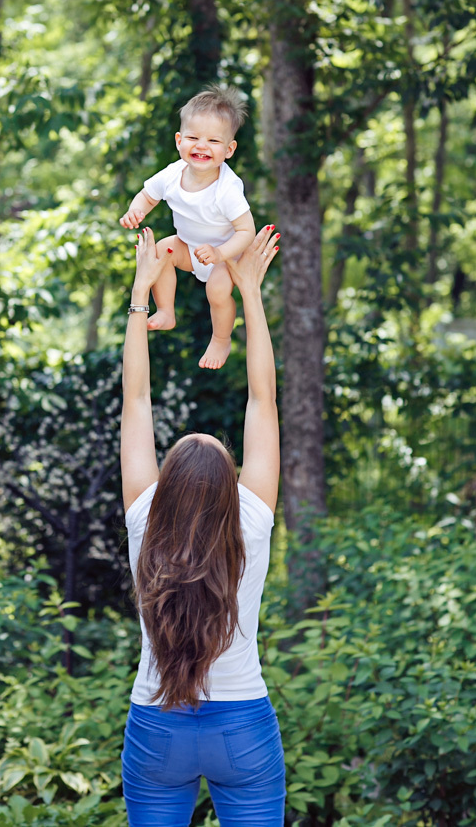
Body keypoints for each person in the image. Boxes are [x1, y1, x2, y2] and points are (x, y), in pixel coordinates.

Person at [120, 224, 285, 827]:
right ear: (227, 485)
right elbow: (262, 402)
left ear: (167, 485)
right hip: (242, 726)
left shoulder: (145, 519)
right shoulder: (251, 519)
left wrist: (143, 298)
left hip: (157, 725)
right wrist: (251, 295)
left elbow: (136, 402)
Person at [119, 86, 255, 370]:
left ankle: (221, 338)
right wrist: (136, 211)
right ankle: (166, 312)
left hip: (226, 253)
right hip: (188, 246)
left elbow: (246, 232)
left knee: (217, 290)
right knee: (160, 252)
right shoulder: (172, 173)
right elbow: (147, 196)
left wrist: (219, 254)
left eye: (213, 140)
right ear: (179, 140)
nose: (201, 145)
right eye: (193, 137)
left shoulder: (226, 189)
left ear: (229, 150)